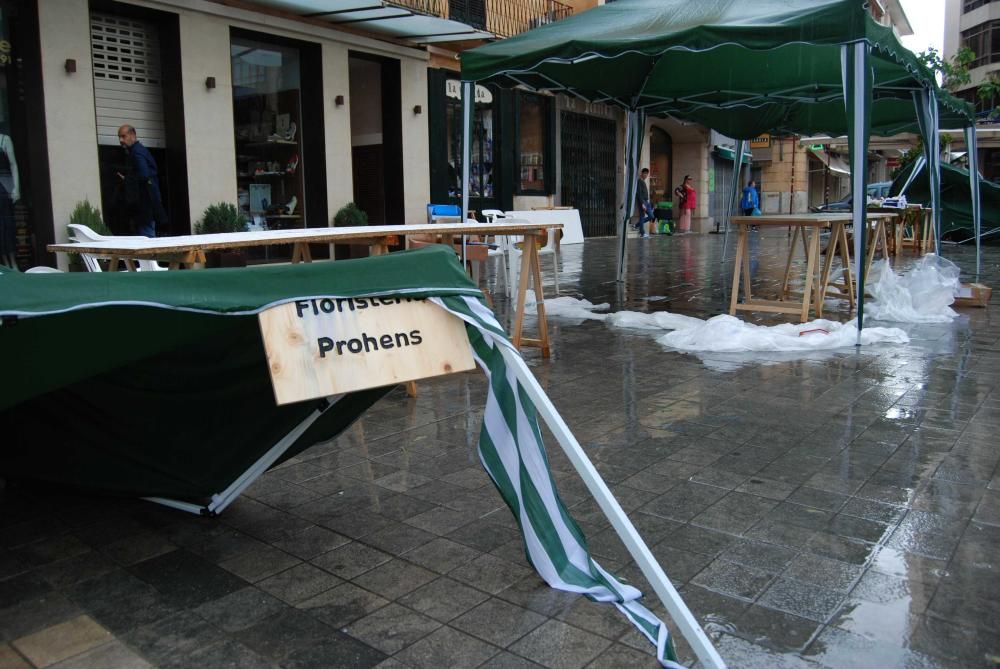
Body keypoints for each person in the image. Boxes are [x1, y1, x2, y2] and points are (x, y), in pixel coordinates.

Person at [116, 124, 165, 237]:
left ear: (133, 135)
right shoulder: (139, 151)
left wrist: (127, 179)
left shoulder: (137, 152)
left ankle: (149, 255)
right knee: (146, 235)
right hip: (147, 203)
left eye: (123, 136)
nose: (121, 140)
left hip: (145, 204)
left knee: (146, 239)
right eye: (119, 137)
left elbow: (144, 175)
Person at [0, 133, 20, 268]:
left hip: (4, 189)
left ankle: (13, 262)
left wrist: (16, 188)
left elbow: (13, 165)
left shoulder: (4, 140)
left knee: (8, 226)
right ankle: (5, 263)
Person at [635, 167, 654, 237]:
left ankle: (637, 225)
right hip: (642, 201)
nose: (646, 175)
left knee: (651, 216)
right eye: (645, 173)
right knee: (642, 216)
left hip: (646, 201)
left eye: (647, 174)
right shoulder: (639, 181)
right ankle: (642, 233)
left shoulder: (643, 181)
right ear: (642, 173)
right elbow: (639, 193)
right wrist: (642, 203)